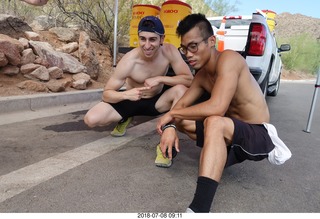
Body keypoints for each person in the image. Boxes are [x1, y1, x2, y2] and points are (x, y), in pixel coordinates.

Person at [156, 13, 292, 213]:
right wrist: (170, 126)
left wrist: (172, 114)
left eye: (193, 46)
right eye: (184, 48)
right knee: (183, 121)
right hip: (232, 134)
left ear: (212, 41)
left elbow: (216, 107)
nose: (188, 54)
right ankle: (217, 156)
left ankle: (199, 210)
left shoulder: (229, 59)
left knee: (214, 120)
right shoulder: (201, 76)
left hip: (257, 133)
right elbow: (182, 106)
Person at [84, 16, 193, 167]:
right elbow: (106, 93)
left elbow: (189, 80)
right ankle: (126, 117)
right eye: (143, 39)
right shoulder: (129, 61)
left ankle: (166, 139)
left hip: (158, 102)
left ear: (162, 39)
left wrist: (161, 79)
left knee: (181, 90)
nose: (147, 45)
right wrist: (125, 95)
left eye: (152, 39)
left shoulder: (169, 51)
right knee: (91, 119)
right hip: (133, 100)